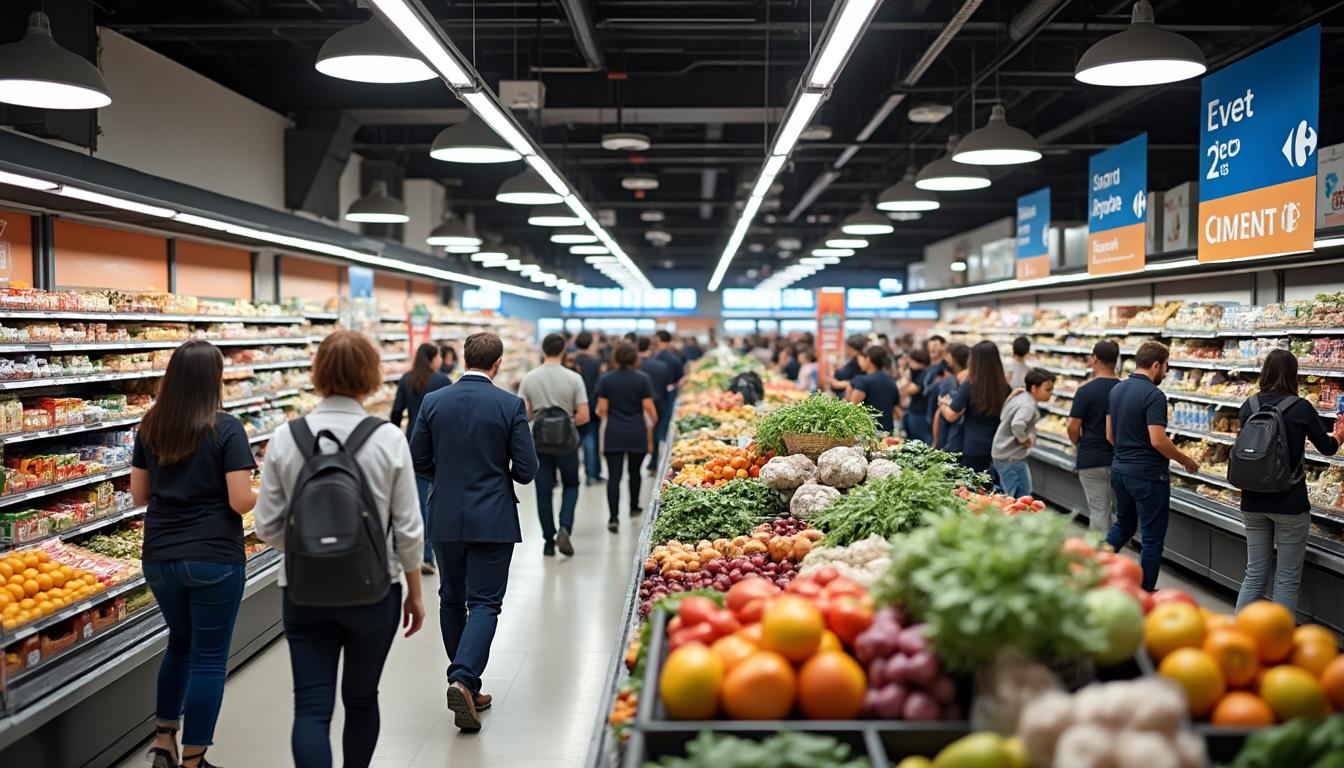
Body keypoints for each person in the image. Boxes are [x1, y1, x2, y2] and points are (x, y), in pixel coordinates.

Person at [252, 331, 426, 768]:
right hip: (374, 588)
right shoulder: (388, 438)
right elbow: (408, 529)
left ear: (318, 373)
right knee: (362, 698)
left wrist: (309, 550)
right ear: (371, 375)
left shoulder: (286, 437)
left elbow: (266, 526)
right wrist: (415, 591)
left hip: (304, 590)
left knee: (311, 707)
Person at [130, 340, 259, 768]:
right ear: (213, 379)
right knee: (208, 659)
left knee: (179, 645)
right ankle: (193, 760)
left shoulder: (151, 426)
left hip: (160, 556)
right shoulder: (227, 428)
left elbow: (139, 495)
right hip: (213, 556)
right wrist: (267, 492)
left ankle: (164, 740)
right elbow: (240, 501)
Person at [409, 332, 537, 733]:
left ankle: (466, 684)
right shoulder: (509, 404)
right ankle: (464, 679)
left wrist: (446, 477)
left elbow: (417, 458)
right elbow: (527, 470)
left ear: (463, 359)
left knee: (451, 598)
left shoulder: (434, 401)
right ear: (497, 363)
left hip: (445, 515)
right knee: (484, 602)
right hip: (493, 517)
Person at [1234, 350, 1344, 613]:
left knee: (1254, 573)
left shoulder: (1249, 406)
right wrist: (1340, 435)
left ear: (1265, 372)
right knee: (1286, 578)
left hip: (1252, 501)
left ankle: (1239, 631)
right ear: (1294, 374)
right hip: (1290, 502)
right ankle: (1280, 636)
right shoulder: (1300, 407)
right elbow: (1327, 448)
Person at [1105, 341, 1201, 592]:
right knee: (1151, 539)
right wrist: (1185, 460)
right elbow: (1157, 440)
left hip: (1119, 470)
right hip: (1147, 475)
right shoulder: (1154, 395)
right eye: (1167, 366)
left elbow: (1110, 436)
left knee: (1123, 526)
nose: (1167, 373)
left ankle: (1092, 566)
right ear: (1156, 364)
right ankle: (1145, 592)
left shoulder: (1116, 389)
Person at [517, 333, 590, 558]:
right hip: (567, 443)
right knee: (571, 484)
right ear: (563, 350)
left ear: (543, 350)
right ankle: (565, 528)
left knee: (543, 490)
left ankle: (548, 541)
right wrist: (567, 421)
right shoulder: (574, 378)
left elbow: (523, 414)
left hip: (539, 443)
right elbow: (584, 415)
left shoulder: (529, 378)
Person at [390, 342, 452, 574]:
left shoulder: (406, 379)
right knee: (438, 500)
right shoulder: (443, 381)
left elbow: (396, 413)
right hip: (439, 445)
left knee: (417, 501)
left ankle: (420, 554)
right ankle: (431, 552)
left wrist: (395, 438)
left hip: (412, 445)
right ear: (433, 358)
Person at [595, 343, 658, 532]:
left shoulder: (606, 379)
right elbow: (649, 407)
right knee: (635, 472)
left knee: (614, 476)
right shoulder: (643, 379)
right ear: (634, 358)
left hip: (614, 431)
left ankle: (613, 517)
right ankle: (633, 507)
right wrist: (653, 422)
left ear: (616, 358)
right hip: (636, 431)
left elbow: (602, 409)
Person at [1068, 340, 1122, 532]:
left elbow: (1073, 427)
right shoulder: (1124, 389)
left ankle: (1099, 549)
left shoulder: (1085, 391)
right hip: (1121, 459)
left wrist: (1078, 443)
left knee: (1099, 510)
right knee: (1121, 513)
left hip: (1091, 458)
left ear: (1095, 359)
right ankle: (1114, 546)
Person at [939, 340, 1010, 477]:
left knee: (970, 485)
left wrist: (942, 404)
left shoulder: (971, 384)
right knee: (987, 485)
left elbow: (951, 415)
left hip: (972, 445)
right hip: (995, 446)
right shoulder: (1005, 387)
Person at [992, 368, 1056, 498]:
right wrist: (1025, 439)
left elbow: (1004, 415)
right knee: (1016, 497)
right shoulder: (1028, 405)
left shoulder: (1021, 397)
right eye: (1047, 390)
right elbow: (1017, 424)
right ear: (1034, 388)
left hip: (1004, 454)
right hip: (1011, 458)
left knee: (1019, 494)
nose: (1051, 393)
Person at [572, 332, 605, 486]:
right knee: (591, 439)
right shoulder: (595, 361)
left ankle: (573, 474)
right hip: (591, 404)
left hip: (573, 405)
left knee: (574, 440)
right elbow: (599, 385)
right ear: (590, 344)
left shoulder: (571, 360)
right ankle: (593, 474)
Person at [637, 336, 673, 475]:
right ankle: (653, 461)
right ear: (650, 347)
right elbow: (668, 385)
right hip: (659, 403)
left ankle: (638, 460)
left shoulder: (635, 366)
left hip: (637, 405)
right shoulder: (661, 366)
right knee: (656, 432)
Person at [848, 345, 899, 433]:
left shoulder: (862, 381)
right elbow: (896, 408)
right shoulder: (891, 381)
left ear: (868, 360)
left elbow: (851, 408)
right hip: (887, 431)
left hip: (868, 432)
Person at [930, 343, 970, 450]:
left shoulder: (951, 381)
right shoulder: (973, 380)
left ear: (953, 358)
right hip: (966, 437)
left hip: (952, 436)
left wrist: (935, 441)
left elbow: (944, 414)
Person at [899, 349, 932, 443]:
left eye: (911, 362)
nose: (910, 366)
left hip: (921, 414)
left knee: (920, 442)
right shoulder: (919, 373)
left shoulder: (924, 374)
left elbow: (908, 391)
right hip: (915, 412)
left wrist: (905, 377)